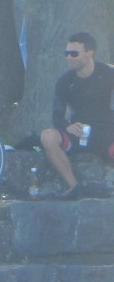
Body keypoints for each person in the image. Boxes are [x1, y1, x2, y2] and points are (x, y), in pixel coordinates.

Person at [39, 31, 114, 200]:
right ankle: (73, 186)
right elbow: (57, 115)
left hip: (107, 132)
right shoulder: (65, 81)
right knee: (47, 137)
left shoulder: (107, 73)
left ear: (90, 54)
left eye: (74, 53)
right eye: (67, 53)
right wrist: (67, 126)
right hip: (80, 133)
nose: (69, 58)